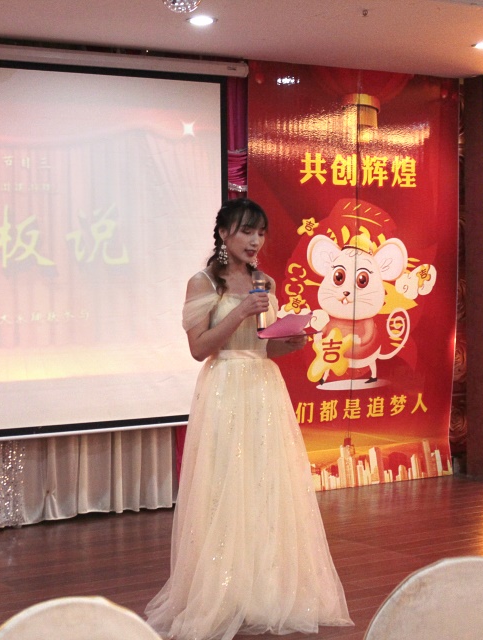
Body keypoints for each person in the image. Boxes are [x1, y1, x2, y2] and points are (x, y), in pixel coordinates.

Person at [145, 198, 352, 639]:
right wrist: (239, 311)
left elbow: (261, 344)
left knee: (265, 485)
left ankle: (264, 589)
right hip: (224, 387)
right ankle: (221, 591)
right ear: (224, 234)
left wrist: (288, 342)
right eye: (246, 231)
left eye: (260, 233)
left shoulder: (265, 281)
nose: (255, 241)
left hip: (263, 386)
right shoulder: (203, 282)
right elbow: (200, 348)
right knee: (224, 484)